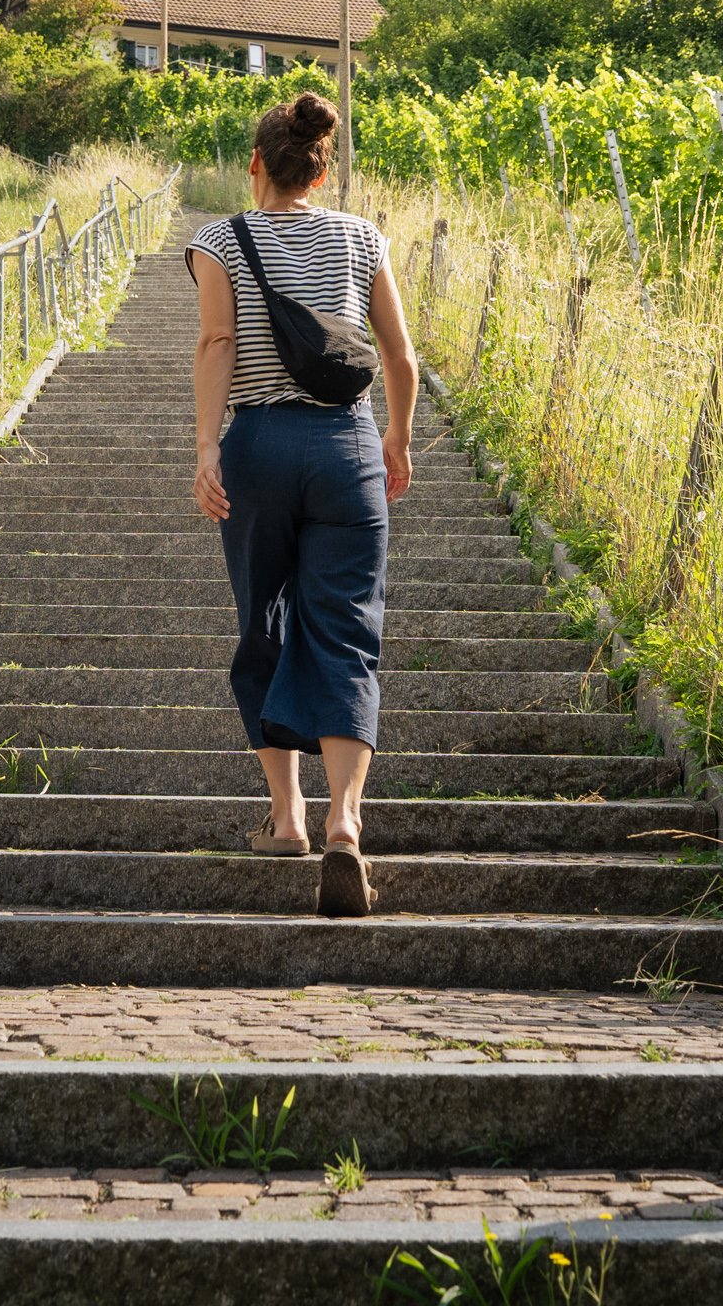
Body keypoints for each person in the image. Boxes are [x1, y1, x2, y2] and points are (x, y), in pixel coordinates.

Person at [187, 92, 418, 919]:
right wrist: (395, 438)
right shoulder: (361, 236)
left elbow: (217, 342)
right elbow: (399, 354)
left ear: (256, 165)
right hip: (346, 449)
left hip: (257, 448)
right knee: (347, 631)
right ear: (324, 168)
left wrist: (207, 448)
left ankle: (285, 818)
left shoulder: (219, 240)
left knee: (264, 620)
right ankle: (345, 825)